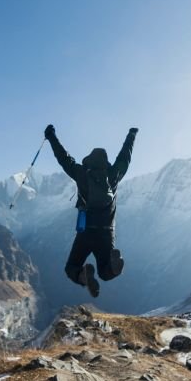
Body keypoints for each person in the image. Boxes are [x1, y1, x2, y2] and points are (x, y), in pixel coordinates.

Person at [44, 124, 138, 297]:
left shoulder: (81, 173)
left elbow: (63, 158)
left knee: (71, 267)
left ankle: (83, 276)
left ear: (89, 160)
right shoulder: (113, 174)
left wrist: (51, 137)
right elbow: (125, 157)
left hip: (86, 232)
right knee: (104, 272)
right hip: (106, 233)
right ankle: (113, 268)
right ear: (105, 161)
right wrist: (131, 135)